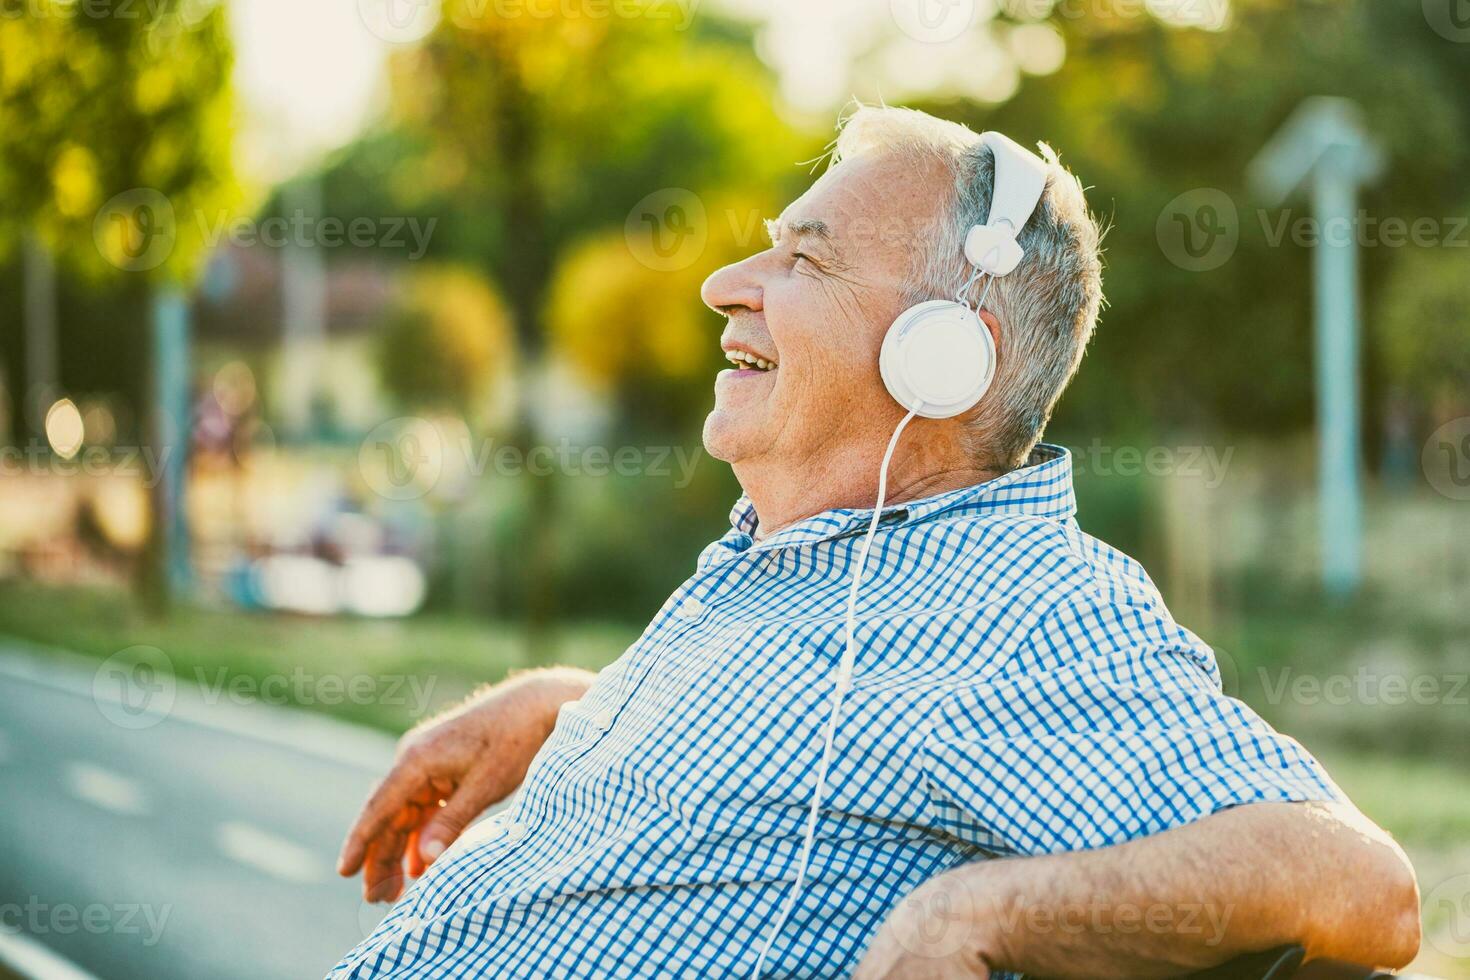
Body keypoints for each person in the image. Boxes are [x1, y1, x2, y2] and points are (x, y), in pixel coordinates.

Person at [330, 106, 1420, 979]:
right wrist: (578, 711)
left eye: (806, 261)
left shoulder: (1017, 605)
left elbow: (1366, 886)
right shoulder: (809, 556)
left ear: (941, 358)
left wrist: (974, 911)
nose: (725, 287)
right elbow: (825, 734)